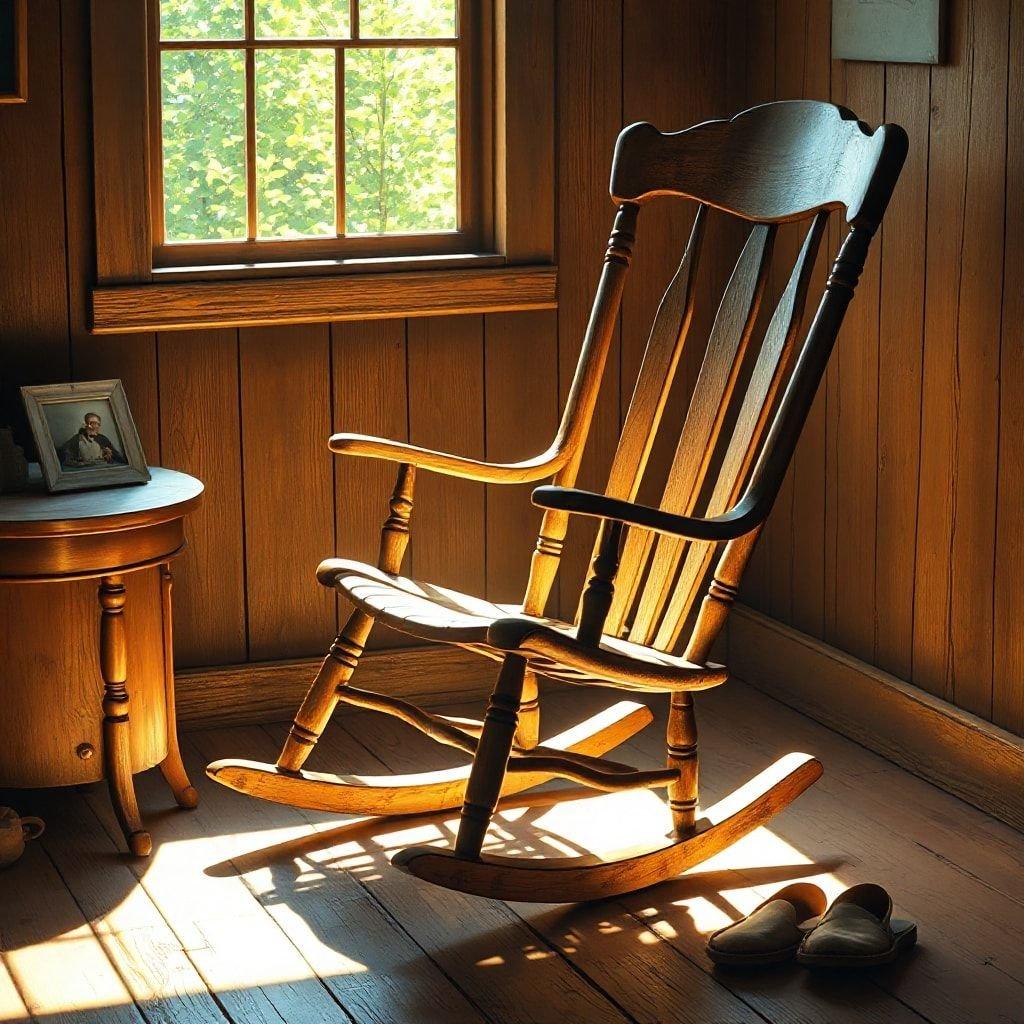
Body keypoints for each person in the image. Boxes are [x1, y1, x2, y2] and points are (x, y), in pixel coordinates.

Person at [58, 411, 126, 468]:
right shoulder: (76, 439)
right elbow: (64, 457)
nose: (94, 427)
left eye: (97, 424)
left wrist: (109, 457)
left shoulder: (103, 439)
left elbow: (116, 456)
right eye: (92, 423)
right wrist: (79, 463)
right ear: (85, 424)